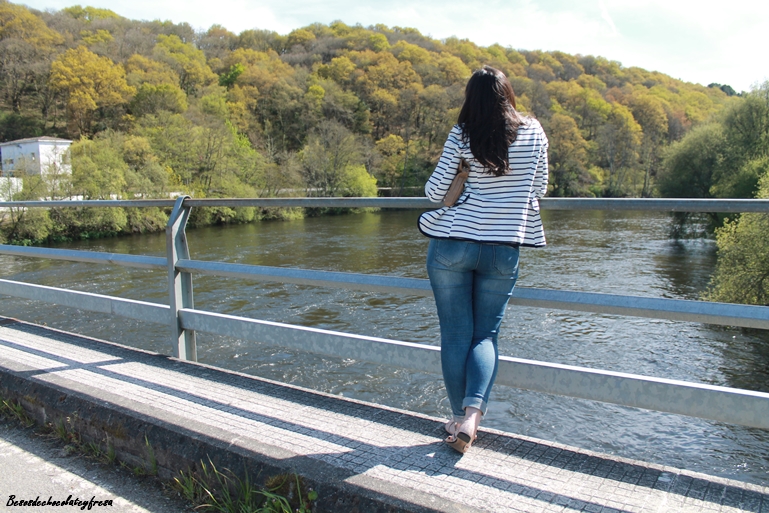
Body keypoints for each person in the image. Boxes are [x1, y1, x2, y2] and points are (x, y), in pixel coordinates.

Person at [418, 66, 548, 453]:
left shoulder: (463, 133)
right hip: (503, 247)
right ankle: (472, 417)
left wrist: (466, 173)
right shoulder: (534, 131)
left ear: (470, 99)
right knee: (485, 335)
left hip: (454, 243)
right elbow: (539, 188)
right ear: (508, 94)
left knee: (456, 334)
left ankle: (456, 418)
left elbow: (435, 192)